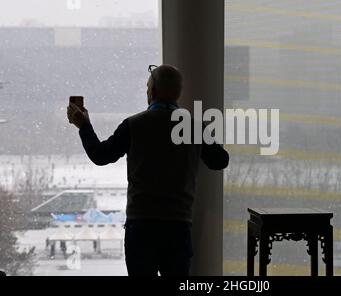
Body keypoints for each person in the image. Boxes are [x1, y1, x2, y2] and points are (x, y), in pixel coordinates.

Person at [66, 64, 229, 276]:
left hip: (141, 226)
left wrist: (84, 125)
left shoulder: (134, 124)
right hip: (178, 227)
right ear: (178, 93)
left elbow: (100, 155)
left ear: (152, 92)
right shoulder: (194, 128)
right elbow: (220, 161)